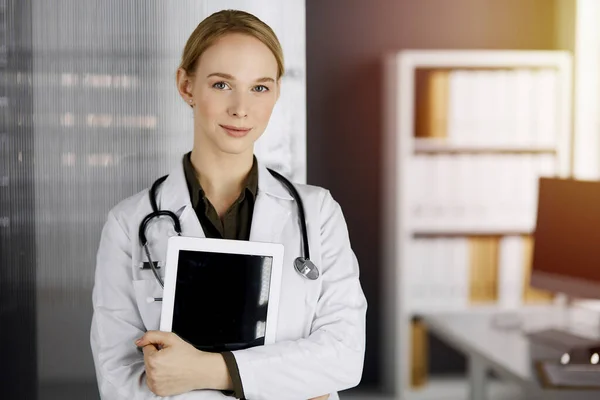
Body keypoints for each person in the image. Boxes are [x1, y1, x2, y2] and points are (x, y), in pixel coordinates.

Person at [90, 9, 367, 400]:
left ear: (276, 93)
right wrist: (286, 383)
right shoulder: (128, 224)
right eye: (222, 85)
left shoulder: (318, 213)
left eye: (260, 88)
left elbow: (343, 357)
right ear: (186, 86)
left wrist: (204, 370)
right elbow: (123, 382)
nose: (241, 108)